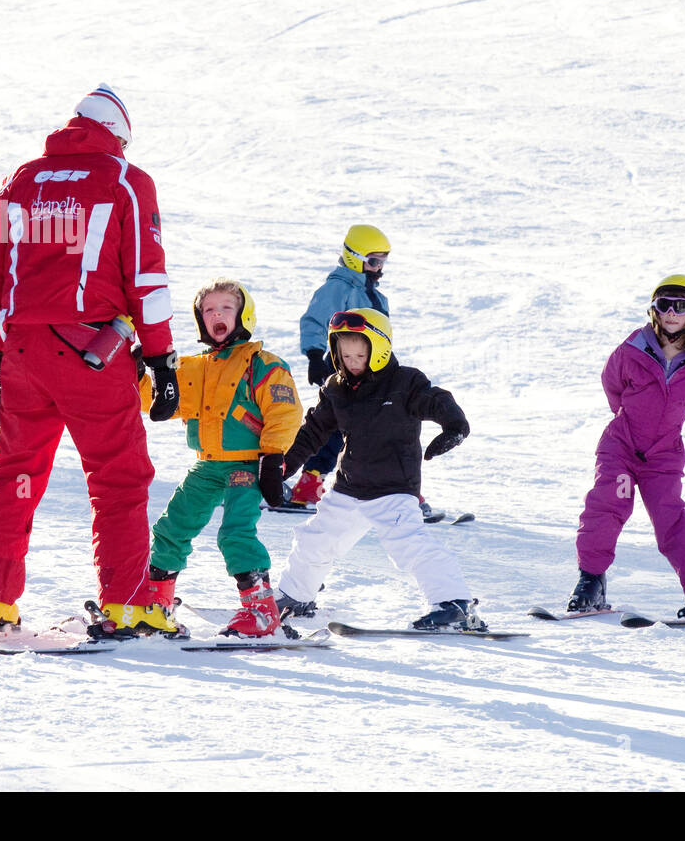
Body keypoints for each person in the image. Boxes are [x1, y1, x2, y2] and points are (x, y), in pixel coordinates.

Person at [0, 84, 182, 638]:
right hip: (89, 352)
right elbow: (147, 283)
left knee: (14, 472)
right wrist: (161, 360)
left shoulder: (22, 180)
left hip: (18, 352)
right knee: (118, 477)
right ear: (119, 135)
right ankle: (129, 606)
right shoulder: (126, 183)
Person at [273, 308, 481, 630]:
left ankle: (454, 603)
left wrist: (454, 426)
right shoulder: (336, 388)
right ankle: (297, 595)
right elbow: (313, 430)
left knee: (411, 545)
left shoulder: (405, 382)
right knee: (315, 539)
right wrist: (284, 466)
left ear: (379, 349)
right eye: (345, 354)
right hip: (348, 487)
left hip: (393, 488)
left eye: (360, 353)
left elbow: (437, 400)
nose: (352, 361)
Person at [141, 279, 304, 637]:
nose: (217, 315)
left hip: (245, 466)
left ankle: (261, 611)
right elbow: (159, 403)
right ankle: (156, 605)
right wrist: (140, 371)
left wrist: (273, 459)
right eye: (208, 310)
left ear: (243, 314)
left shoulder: (263, 364)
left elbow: (285, 412)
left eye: (226, 308)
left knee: (235, 533)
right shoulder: (192, 367)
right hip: (207, 465)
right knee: (172, 527)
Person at [570, 276, 685, 619]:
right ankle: (590, 581)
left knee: (670, 519)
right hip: (621, 447)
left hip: (664, 455)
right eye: (664, 305)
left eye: (681, 306)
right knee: (608, 504)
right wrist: (631, 423)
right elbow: (612, 388)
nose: (672, 313)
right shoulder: (630, 351)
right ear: (653, 310)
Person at [290, 225, 392, 507]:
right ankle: (309, 482)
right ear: (353, 258)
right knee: (337, 426)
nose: (378, 268)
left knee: (384, 427)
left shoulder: (376, 296)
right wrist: (314, 355)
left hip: (373, 371)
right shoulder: (338, 288)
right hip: (343, 368)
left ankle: (391, 489)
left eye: (382, 261)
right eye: (373, 261)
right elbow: (315, 318)